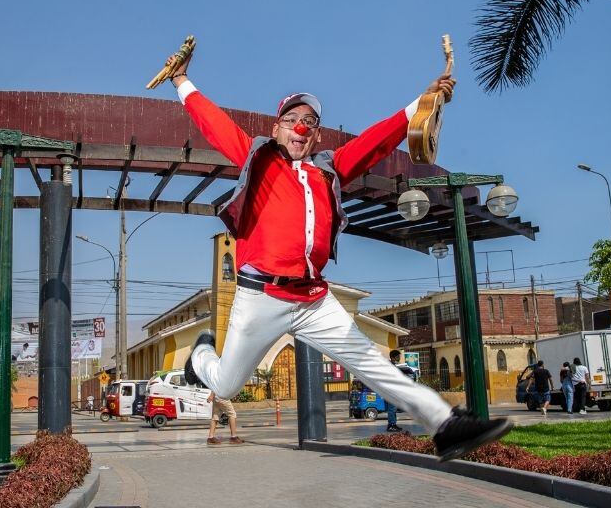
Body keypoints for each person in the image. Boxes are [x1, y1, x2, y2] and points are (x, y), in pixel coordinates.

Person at [172, 50, 511, 461]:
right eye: (292, 120)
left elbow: (374, 142)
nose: (301, 127)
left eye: (310, 122)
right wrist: (181, 82)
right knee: (225, 386)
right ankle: (201, 356)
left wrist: (421, 104)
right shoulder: (257, 157)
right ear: (277, 127)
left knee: (373, 363)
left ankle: (445, 426)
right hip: (260, 296)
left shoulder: (327, 170)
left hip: (314, 299)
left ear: (316, 135)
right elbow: (214, 124)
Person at [386, 350, 417, 432]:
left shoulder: (393, 365)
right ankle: (391, 425)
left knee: (393, 409)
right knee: (392, 409)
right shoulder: (390, 365)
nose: (399, 358)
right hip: (391, 390)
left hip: (394, 389)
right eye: (398, 356)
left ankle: (393, 424)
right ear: (393, 357)